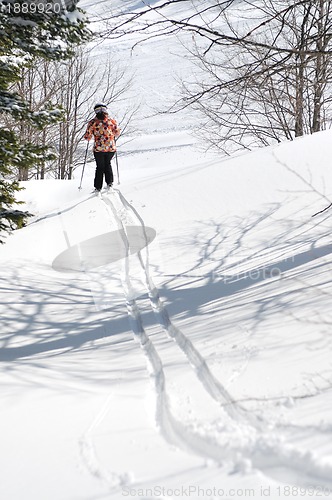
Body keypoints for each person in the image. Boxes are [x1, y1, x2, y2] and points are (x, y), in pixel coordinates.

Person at [84, 103, 120, 192]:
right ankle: (109, 183)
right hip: (111, 148)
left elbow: (87, 136)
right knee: (108, 164)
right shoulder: (111, 121)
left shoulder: (92, 122)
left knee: (100, 167)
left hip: (98, 148)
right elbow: (117, 133)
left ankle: (98, 187)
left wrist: (90, 136)